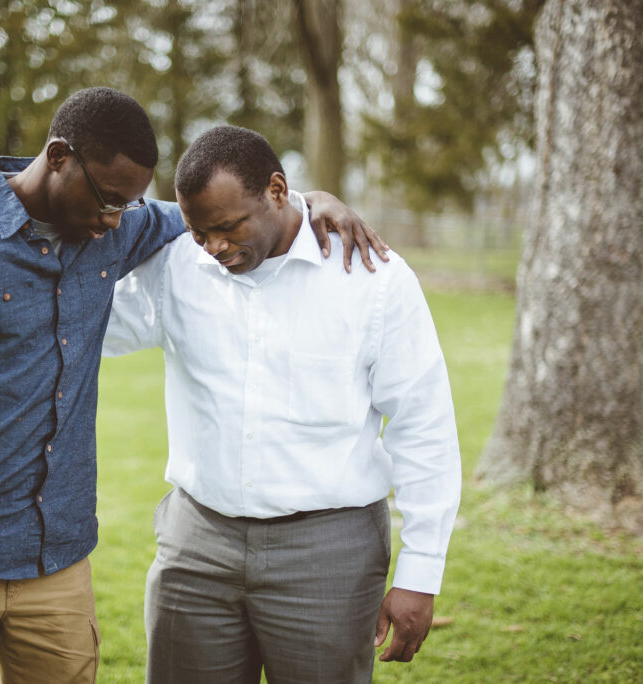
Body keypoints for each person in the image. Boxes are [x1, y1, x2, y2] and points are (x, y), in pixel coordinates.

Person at [0, 88, 386, 683]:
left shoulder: (112, 225)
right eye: (107, 199)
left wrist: (311, 200)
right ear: (58, 155)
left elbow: (238, 210)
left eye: (128, 205)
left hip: (57, 566)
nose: (113, 220)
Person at [103, 125, 462, 684]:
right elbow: (78, 327)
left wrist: (421, 572)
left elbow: (424, 425)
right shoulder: (177, 266)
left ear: (276, 191)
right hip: (196, 547)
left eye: (227, 227)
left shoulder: (373, 279)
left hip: (328, 553)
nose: (215, 247)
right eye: (201, 233)